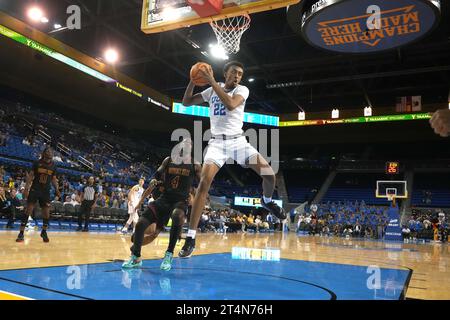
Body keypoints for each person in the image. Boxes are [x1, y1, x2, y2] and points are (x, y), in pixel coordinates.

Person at [179, 61, 286, 258]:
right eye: (234, 72)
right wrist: (193, 80)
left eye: (240, 74)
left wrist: (210, 81)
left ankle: (267, 200)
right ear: (225, 73)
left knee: (270, 175)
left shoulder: (242, 90)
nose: (237, 76)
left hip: (238, 142)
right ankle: (191, 237)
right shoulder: (211, 91)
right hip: (217, 144)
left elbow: (230, 104)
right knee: (204, 183)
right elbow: (186, 102)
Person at [122, 138, 201, 271]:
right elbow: (157, 175)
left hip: (180, 201)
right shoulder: (169, 160)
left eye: (189, 144)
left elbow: (203, 184)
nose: (186, 145)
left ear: (192, 147)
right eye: (184, 143)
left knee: (177, 216)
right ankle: (136, 256)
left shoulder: (195, 164)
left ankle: (168, 255)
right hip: (164, 199)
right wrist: (154, 180)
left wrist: (196, 194)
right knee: (141, 223)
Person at [16, 146, 60, 243]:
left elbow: (53, 179)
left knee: (46, 213)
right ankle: (21, 233)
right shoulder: (37, 163)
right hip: (35, 189)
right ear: (44, 153)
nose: (51, 153)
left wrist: (57, 189)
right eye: (48, 151)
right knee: (28, 211)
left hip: (46, 192)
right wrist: (26, 189)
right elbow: (31, 176)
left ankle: (44, 231)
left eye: (52, 151)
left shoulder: (54, 165)